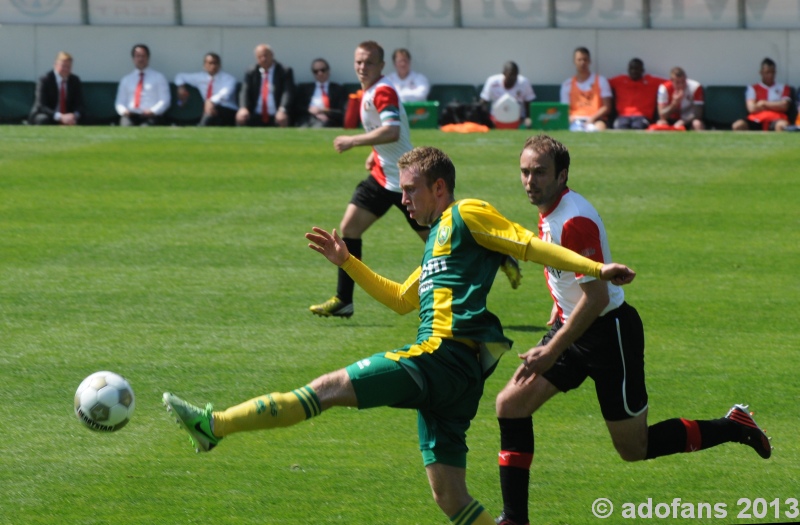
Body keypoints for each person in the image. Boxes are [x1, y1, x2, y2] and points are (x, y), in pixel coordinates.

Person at [163, 145, 636, 524]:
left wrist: (596, 268)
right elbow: (399, 299)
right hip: (456, 375)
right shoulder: (437, 239)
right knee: (450, 498)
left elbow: (530, 247)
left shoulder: (467, 213)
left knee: (326, 389)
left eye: (410, 191)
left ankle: (215, 425)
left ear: (439, 187)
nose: (402, 201)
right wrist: (347, 262)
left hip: (440, 357)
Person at [493, 135, 772, 525]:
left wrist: (554, 347)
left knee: (633, 448)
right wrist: (557, 308)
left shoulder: (573, 219)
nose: (529, 180)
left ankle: (733, 426)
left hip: (610, 336)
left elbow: (596, 297)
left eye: (540, 172)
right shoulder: (550, 211)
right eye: (525, 171)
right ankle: (514, 518)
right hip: (573, 329)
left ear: (563, 175)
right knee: (511, 404)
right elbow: (570, 277)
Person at [309, 41, 522, 318]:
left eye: (369, 62)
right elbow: (386, 134)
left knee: (444, 241)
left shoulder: (382, 91)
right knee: (349, 227)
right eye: (359, 62)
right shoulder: (371, 91)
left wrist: (353, 140)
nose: (362, 67)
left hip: (404, 184)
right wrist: (375, 155)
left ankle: (495, 257)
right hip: (381, 177)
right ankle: (344, 300)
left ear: (381, 66)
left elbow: (393, 130)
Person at [236, 44, 295, 127]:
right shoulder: (251, 71)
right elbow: (244, 91)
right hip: (255, 112)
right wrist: (243, 108)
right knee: (241, 116)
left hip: (277, 113)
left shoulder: (284, 71)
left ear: (272, 55)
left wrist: (282, 109)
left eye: (265, 55)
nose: (263, 59)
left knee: (283, 119)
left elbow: (288, 92)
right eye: (260, 57)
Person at [174, 52, 238, 127]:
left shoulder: (229, 79)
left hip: (227, 109)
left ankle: (201, 128)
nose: (213, 66)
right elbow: (180, 76)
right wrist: (181, 87)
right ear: (204, 65)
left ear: (220, 65)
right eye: (210, 63)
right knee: (211, 111)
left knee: (212, 109)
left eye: (216, 63)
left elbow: (224, 94)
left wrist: (211, 101)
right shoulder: (200, 77)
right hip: (208, 109)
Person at [114, 44, 170, 126]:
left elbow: (165, 100)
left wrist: (153, 111)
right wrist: (124, 111)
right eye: (138, 56)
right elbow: (119, 102)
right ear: (133, 59)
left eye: (143, 56)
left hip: (151, 116)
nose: (140, 59)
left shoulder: (159, 78)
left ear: (148, 58)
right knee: (126, 127)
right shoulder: (126, 80)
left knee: (146, 129)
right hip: (131, 115)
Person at [732, 58, 791, 132]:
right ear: (761, 72)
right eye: (767, 72)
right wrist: (775, 105)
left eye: (772, 72)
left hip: (776, 118)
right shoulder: (753, 88)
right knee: (738, 125)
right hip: (756, 119)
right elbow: (752, 108)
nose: (770, 75)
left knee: (782, 125)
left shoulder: (784, 88)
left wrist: (763, 103)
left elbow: (784, 106)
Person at [560, 47, 612, 131]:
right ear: (574, 61)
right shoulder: (567, 84)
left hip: (596, 119)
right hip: (574, 119)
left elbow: (607, 107)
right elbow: (564, 108)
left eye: (585, 60)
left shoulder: (601, 81)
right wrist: (570, 118)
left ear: (589, 61)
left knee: (600, 127)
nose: (582, 63)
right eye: (579, 60)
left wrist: (591, 119)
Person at [28, 51, 84, 126]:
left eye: (68, 67)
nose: (66, 69)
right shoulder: (45, 80)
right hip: (48, 114)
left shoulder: (75, 80)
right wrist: (60, 117)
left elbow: (80, 103)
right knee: (43, 119)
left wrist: (74, 115)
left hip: (68, 115)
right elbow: (41, 105)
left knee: (87, 117)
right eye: (63, 66)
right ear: (55, 65)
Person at [608, 58, 665, 130]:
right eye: (631, 69)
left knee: (638, 127)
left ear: (642, 70)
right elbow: (602, 84)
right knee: (621, 127)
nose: (633, 71)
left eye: (636, 69)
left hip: (642, 116)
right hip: (623, 116)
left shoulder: (651, 81)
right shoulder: (620, 80)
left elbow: (670, 83)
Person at [479, 61, 536, 129]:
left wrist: (528, 118)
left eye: (515, 75)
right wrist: (485, 119)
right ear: (504, 73)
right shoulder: (492, 81)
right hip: (496, 119)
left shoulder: (524, 82)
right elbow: (484, 101)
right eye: (510, 75)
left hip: (518, 119)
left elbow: (528, 102)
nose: (513, 78)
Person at [294, 58, 347, 128]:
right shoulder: (304, 88)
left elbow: (342, 112)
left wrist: (323, 111)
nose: (320, 73)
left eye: (323, 70)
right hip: (308, 117)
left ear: (328, 71)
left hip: (328, 119)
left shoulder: (338, 89)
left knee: (321, 126)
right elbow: (297, 107)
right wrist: (310, 110)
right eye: (316, 71)